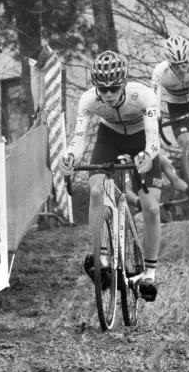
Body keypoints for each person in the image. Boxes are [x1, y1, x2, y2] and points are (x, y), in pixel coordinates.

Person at [57, 51, 163, 302]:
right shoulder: (88, 100)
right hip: (110, 139)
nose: (108, 95)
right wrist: (70, 157)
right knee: (96, 190)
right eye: (102, 90)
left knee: (151, 209)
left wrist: (147, 156)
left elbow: (153, 139)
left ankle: (149, 274)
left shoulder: (144, 95)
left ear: (124, 83)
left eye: (114, 89)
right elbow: (79, 140)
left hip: (141, 140)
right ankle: (101, 256)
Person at [150, 35, 189, 211]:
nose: (181, 68)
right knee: (186, 143)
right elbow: (154, 101)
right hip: (177, 106)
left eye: (183, 63)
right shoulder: (160, 72)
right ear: (169, 63)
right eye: (176, 64)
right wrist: (156, 121)